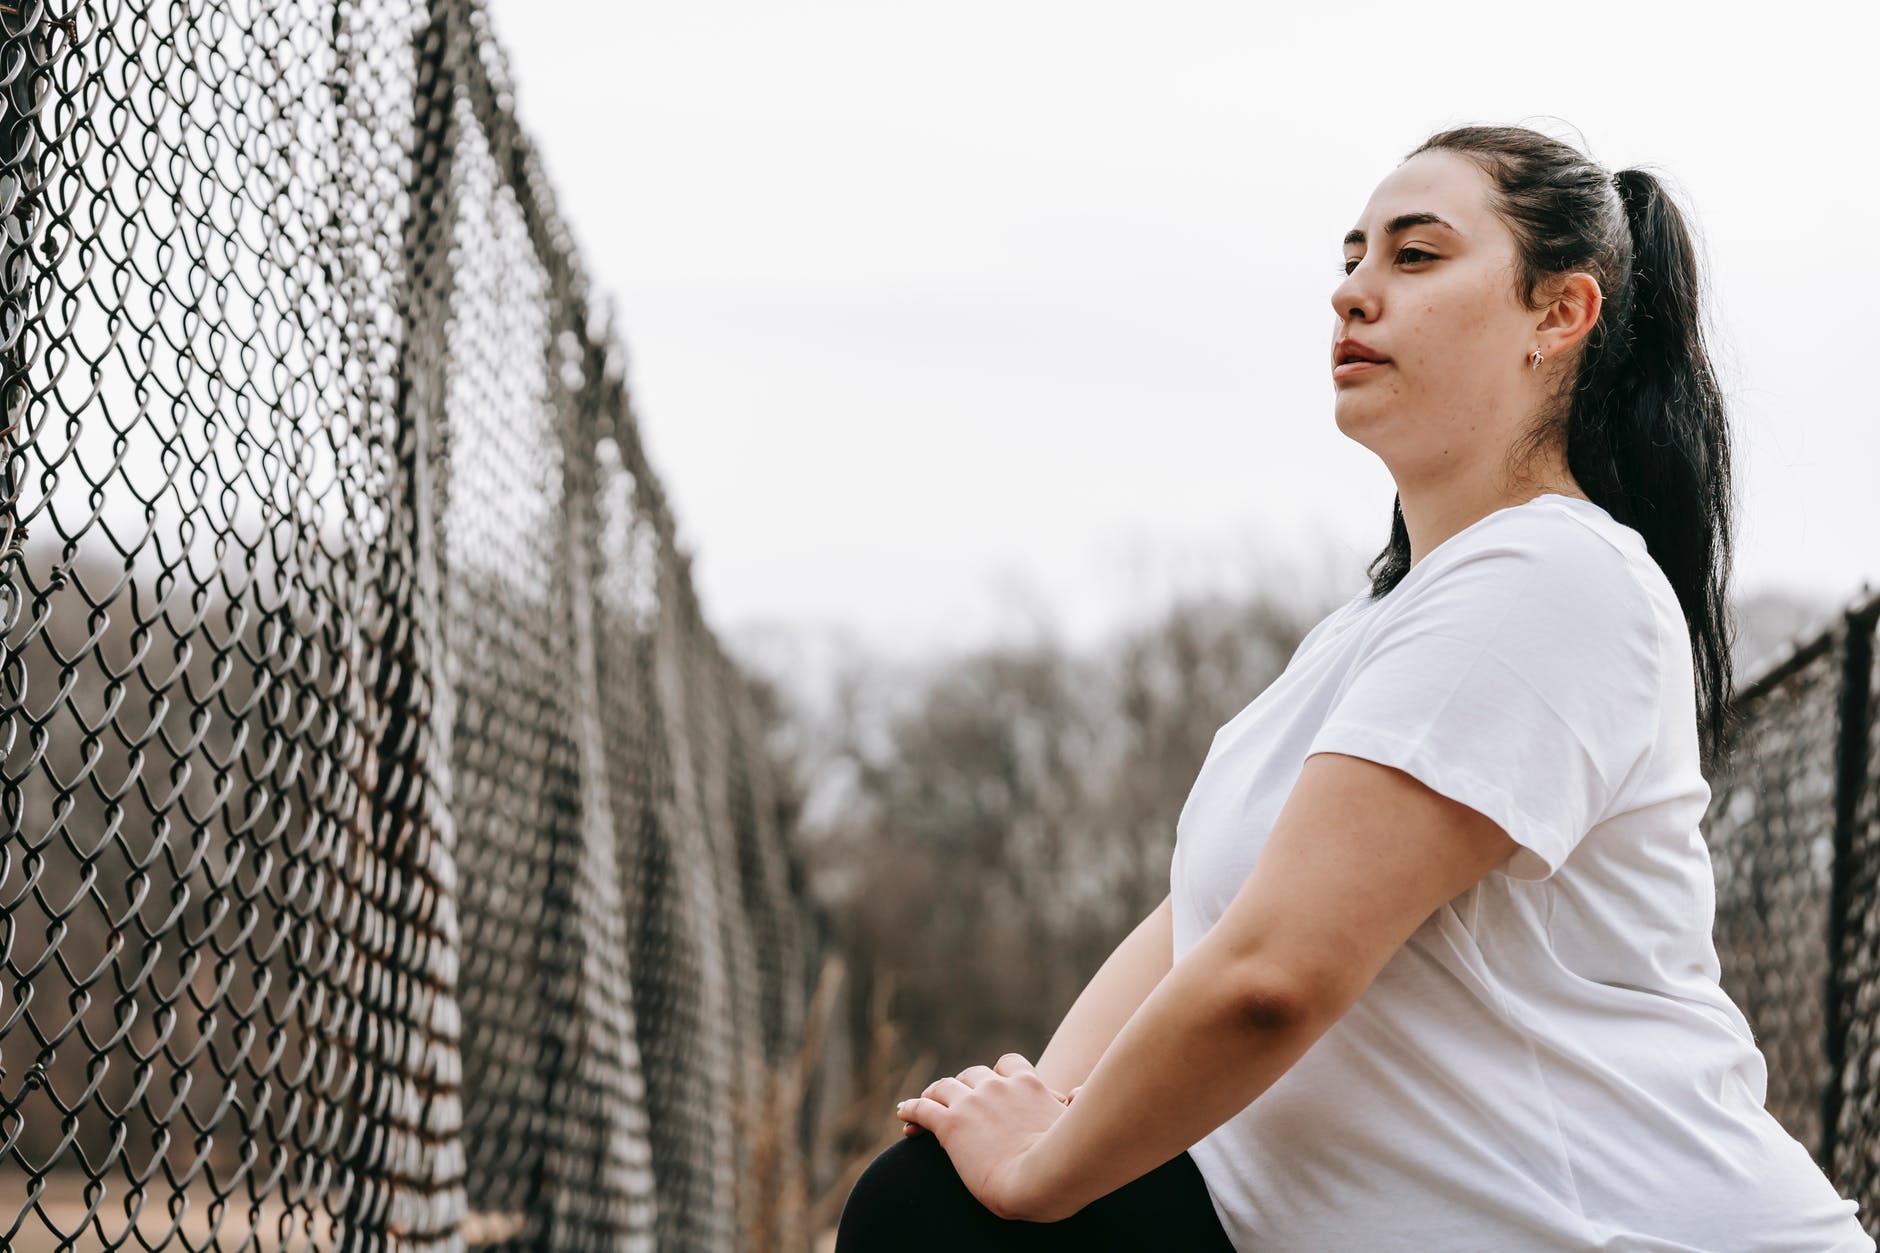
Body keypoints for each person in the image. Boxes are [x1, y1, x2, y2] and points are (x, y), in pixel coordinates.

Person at [833, 122, 1877, 1251]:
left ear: (1557, 313)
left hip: (1640, 1233)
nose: (1352, 294)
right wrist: (1039, 1110)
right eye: (1349, 259)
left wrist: (1037, 1177)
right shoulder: (1368, 629)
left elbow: (1272, 974)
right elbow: (1203, 923)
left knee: (937, 1217)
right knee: (931, 1201)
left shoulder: (1552, 574)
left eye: (1413, 256)